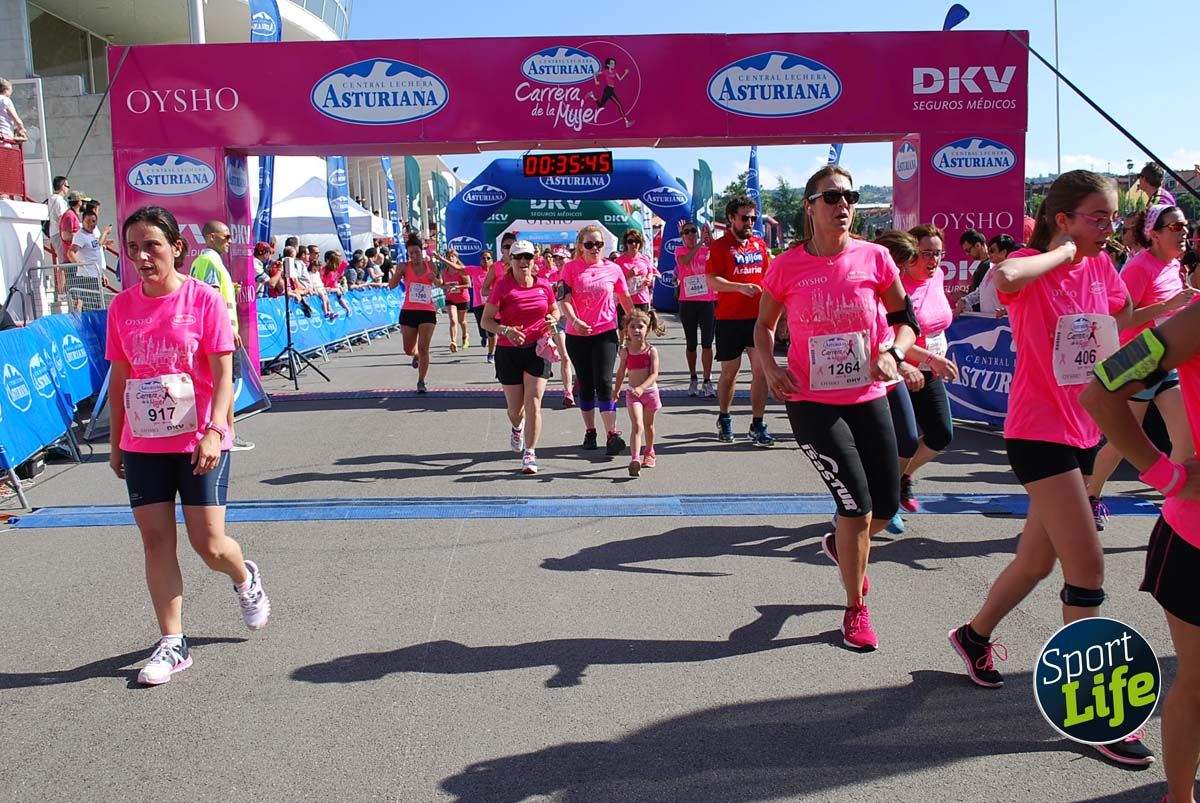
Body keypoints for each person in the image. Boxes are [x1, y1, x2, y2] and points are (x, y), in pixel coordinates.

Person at [947, 170, 1152, 767]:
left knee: (1036, 562)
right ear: (1063, 219)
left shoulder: (1102, 266)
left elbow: (1122, 320)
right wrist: (1062, 252)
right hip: (1038, 434)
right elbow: (1005, 277)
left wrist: (1171, 307)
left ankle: (973, 636)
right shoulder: (1032, 264)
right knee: (1086, 567)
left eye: (1113, 218)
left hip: (1085, 430)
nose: (1109, 228)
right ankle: (1094, 713)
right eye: (1098, 217)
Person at [755, 166, 919, 651]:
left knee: (885, 507)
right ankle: (855, 607)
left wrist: (895, 354)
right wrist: (770, 367)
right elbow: (763, 326)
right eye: (831, 197)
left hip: (868, 396)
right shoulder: (787, 265)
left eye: (850, 196)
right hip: (812, 402)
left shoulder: (876, 257)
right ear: (810, 207)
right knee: (855, 507)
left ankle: (840, 545)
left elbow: (904, 320)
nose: (843, 204)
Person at [106, 206, 270, 686]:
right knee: (156, 541)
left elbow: (223, 374)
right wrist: (116, 442)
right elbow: (120, 378)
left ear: (176, 247)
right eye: (133, 248)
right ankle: (173, 642)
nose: (142, 257)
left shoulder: (204, 300)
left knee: (209, 544)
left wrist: (216, 430)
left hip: (200, 439)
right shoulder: (122, 307)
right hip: (143, 442)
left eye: (151, 246)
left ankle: (244, 577)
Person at [1081, 267, 1200, 802]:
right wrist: (1166, 475)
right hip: (1195, 539)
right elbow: (1102, 389)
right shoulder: (1192, 322)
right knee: (1198, 684)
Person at [1087, 205, 1197, 529]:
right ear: (1155, 234)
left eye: (1185, 226)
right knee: (1121, 443)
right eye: (1175, 227)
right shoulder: (1139, 267)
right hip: (1136, 362)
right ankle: (1090, 496)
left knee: (1185, 440)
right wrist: (1167, 306)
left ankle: (1175, 509)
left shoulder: (1175, 265)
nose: (1184, 232)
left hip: (1167, 363)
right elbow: (1120, 320)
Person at [896, 224, 961, 513]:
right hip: (901, 373)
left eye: (938, 253)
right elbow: (892, 339)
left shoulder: (938, 277)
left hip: (929, 371)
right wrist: (931, 358)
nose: (933, 260)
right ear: (911, 254)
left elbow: (937, 321)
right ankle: (882, 496)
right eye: (926, 254)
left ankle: (901, 478)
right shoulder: (897, 286)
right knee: (904, 441)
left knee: (941, 433)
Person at [481, 239, 559, 475]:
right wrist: (506, 330)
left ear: (534, 260)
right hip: (509, 351)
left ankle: (530, 452)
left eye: (528, 257)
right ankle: (517, 428)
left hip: (538, 348)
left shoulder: (543, 285)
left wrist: (553, 319)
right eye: (519, 257)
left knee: (533, 401)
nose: (524, 261)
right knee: (516, 410)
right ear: (510, 260)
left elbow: (554, 309)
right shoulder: (502, 286)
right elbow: (486, 321)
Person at [559, 224, 635, 455]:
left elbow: (625, 299)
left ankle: (612, 434)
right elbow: (564, 300)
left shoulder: (614, 269)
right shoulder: (570, 268)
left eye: (599, 244)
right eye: (589, 244)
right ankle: (590, 431)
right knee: (586, 383)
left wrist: (636, 325)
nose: (595, 248)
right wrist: (575, 320)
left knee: (604, 382)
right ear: (580, 246)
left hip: (605, 332)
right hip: (577, 334)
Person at [706, 195, 775, 446]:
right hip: (729, 319)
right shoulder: (720, 246)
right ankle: (724, 416)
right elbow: (712, 280)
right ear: (731, 218)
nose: (750, 223)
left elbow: (770, 276)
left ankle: (758, 423)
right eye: (745, 218)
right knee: (729, 373)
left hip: (758, 318)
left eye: (753, 218)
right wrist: (739, 287)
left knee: (761, 371)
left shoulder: (759, 245)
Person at [190, 220, 255, 452]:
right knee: (225, 382)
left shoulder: (203, 261)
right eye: (225, 236)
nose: (230, 241)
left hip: (214, 332)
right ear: (211, 237)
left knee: (219, 382)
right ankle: (228, 434)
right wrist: (229, 329)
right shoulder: (210, 260)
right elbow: (213, 298)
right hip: (220, 334)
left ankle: (223, 432)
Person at [613, 309, 665, 476]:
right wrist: (616, 390)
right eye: (632, 327)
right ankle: (635, 459)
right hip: (632, 395)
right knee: (637, 425)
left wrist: (642, 388)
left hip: (650, 394)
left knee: (648, 426)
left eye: (640, 327)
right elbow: (621, 372)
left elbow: (654, 374)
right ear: (626, 330)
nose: (636, 330)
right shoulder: (626, 352)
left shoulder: (651, 351)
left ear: (647, 329)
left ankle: (649, 452)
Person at [389, 233, 442, 393]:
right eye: (411, 253)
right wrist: (398, 273)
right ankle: (415, 355)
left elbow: (441, 284)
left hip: (427, 311)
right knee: (408, 350)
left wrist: (435, 279)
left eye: (417, 252)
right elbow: (391, 285)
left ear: (422, 250)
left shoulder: (431, 265)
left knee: (424, 347)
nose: (414, 255)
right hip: (409, 311)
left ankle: (421, 381)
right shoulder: (404, 266)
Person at [674, 221, 716, 397]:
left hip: (707, 301)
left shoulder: (707, 250)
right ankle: (693, 379)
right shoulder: (680, 250)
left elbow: (719, 253)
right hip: (688, 303)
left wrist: (709, 237)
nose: (690, 234)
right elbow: (685, 261)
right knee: (691, 343)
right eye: (687, 232)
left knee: (707, 343)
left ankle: (707, 381)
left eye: (693, 231)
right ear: (682, 236)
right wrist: (699, 243)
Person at [542, 246, 576, 408]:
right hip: (558, 320)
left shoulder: (575, 275)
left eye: (561, 258)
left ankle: (579, 382)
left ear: (569, 259)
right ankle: (568, 393)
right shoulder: (549, 276)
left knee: (578, 356)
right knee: (565, 356)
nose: (558, 261)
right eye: (556, 258)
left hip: (574, 319)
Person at [69, 204, 115, 310]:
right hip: (87, 277)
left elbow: (96, 248)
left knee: (97, 305)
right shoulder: (80, 236)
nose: (91, 224)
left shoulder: (92, 234)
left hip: (96, 275)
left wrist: (102, 274)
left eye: (93, 221)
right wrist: (80, 264)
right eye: (88, 221)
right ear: (83, 221)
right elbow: (71, 252)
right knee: (91, 307)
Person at [957, 235, 1015, 317]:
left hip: (1005, 323)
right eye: (989, 250)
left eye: (992, 251)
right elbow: (980, 292)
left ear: (1003, 252)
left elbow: (1022, 300)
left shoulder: (1014, 273)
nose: (989, 253)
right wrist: (965, 300)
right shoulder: (991, 269)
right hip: (988, 322)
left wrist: (1007, 311)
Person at [431, 248, 471, 352]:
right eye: (449, 257)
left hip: (462, 299)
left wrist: (457, 287)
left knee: (462, 321)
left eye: (453, 256)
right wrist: (434, 279)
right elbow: (441, 285)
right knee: (453, 320)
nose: (451, 258)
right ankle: (453, 342)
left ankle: (465, 336)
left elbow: (469, 285)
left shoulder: (461, 270)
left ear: (457, 258)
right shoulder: (444, 272)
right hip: (450, 299)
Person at [616, 229, 660, 313]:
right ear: (626, 243)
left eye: (636, 241)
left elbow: (651, 271)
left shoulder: (645, 258)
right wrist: (628, 275)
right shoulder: (619, 261)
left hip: (642, 299)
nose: (633, 244)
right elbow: (615, 282)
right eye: (630, 241)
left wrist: (649, 279)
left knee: (643, 321)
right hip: (625, 301)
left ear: (640, 243)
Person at [466, 251, 498, 364]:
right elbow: (459, 268)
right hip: (478, 304)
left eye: (488, 258)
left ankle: (491, 354)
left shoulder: (496, 271)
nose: (486, 260)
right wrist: (441, 259)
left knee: (491, 331)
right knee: (482, 328)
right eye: (483, 258)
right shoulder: (475, 270)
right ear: (480, 260)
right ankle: (483, 337)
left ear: (492, 260)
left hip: (491, 304)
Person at [587, 56, 633, 127]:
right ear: (608, 65)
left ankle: (592, 95)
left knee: (600, 105)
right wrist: (596, 81)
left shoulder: (615, 71)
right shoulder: (605, 72)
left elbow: (620, 79)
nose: (613, 65)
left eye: (614, 63)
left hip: (611, 90)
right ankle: (626, 122)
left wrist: (625, 73)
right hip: (608, 90)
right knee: (619, 105)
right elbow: (595, 73)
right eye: (611, 63)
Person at [321, 250, 351, 314]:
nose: (339, 262)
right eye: (337, 261)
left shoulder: (334, 271)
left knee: (340, 296)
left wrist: (338, 287)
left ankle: (347, 309)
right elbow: (325, 286)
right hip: (326, 290)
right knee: (328, 299)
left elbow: (337, 279)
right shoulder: (326, 271)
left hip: (333, 289)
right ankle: (330, 312)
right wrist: (335, 289)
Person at [962, 229, 990, 297]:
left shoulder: (989, 265)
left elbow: (982, 295)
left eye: (968, 250)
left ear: (978, 245)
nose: (967, 254)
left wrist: (964, 297)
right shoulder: (983, 265)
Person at [46, 176, 69, 257]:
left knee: (63, 257)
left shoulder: (52, 198)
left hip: (55, 232)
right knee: (64, 258)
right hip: (59, 233)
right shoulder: (58, 200)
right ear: (62, 186)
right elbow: (62, 218)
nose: (68, 189)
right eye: (67, 186)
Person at [0, 77, 28, 143]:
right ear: (6, 90)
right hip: (4, 137)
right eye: (11, 90)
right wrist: (21, 129)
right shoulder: (5, 100)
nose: (11, 92)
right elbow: (16, 119)